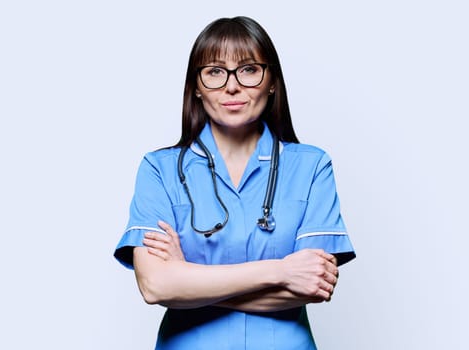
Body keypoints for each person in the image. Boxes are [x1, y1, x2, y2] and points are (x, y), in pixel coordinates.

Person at [114, 16, 355, 350]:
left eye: (249, 69)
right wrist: (280, 271)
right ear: (196, 87)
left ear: (272, 80)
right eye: (214, 71)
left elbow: (314, 285)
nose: (231, 86)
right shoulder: (160, 169)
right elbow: (155, 285)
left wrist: (186, 280)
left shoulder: (312, 166)